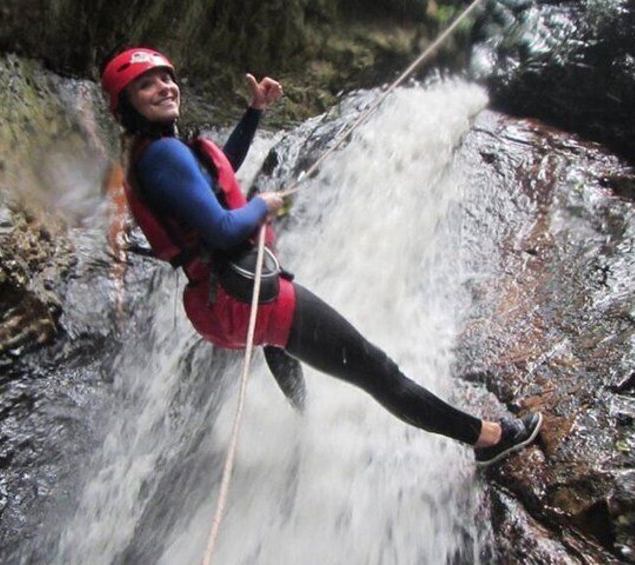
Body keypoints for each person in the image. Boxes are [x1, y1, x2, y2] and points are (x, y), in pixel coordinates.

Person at [99, 46, 542, 466]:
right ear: (127, 104)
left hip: (220, 301)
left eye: (166, 78)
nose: (163, 87)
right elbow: (221, 229)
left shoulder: (152, 154)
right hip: (248, 294)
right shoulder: (165, 154)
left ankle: (304, 423)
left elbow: (217, 175)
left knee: (281, 345)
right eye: (146, 86)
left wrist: (254, 114)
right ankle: (488, 438)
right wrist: (264, 205)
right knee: (375, 368)